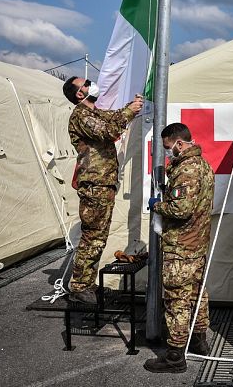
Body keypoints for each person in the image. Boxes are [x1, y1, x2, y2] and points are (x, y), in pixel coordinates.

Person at [62, 76, 143, 305]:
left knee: (99, 237)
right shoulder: (80, 115)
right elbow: (107, 131)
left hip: (103, 183)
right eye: (86, 83)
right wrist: (129, 113)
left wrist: (130, 108)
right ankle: (79, 286)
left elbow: (113, 117)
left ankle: (87, 283)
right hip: (94, 185)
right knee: (92, 237)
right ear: (79, 93)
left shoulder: (93, 113)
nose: (91, 84)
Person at [144, 123, 214, 374]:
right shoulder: (204, 166)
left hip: (181, 247)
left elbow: (181, 209)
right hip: (197, 243)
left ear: (180, 144)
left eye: (168, 148)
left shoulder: (187, 170)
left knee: (176, 300)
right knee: (197, 294)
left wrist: (157, 205)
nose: (167, 153)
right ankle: (199, 340)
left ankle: (175, 357)